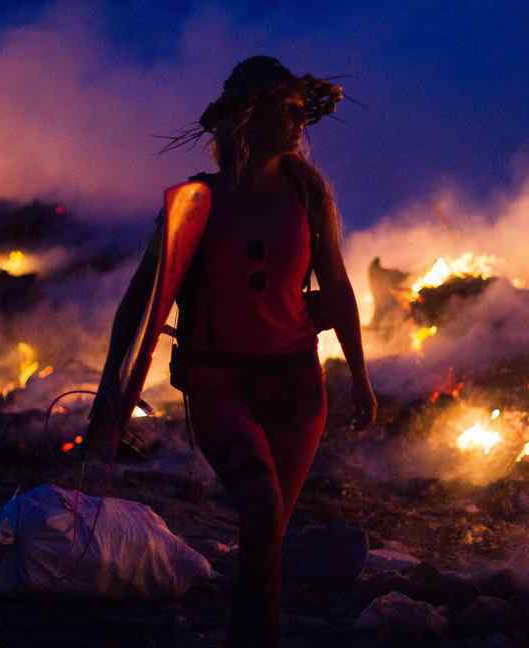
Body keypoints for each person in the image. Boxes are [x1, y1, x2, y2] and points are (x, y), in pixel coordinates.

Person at [95, 55, 376, 648]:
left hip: (297, 386)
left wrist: (361, 375)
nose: (300, 123)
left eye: (303, 111)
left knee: (266, 533)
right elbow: (138, 302)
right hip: (219, 382)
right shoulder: (195, 204)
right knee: (261, 510)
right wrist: (108, 393)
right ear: (252, 116)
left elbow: (338, 283)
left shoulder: (306, 190)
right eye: (287, 109)